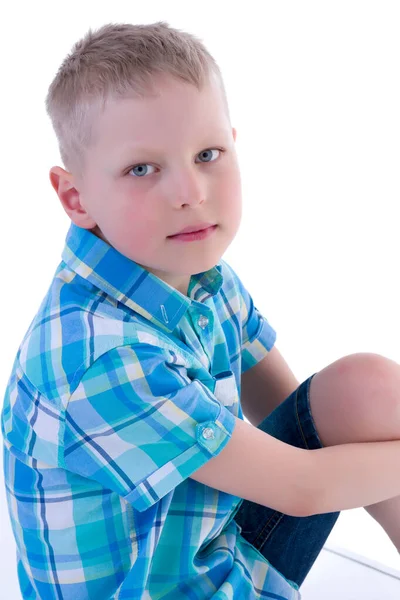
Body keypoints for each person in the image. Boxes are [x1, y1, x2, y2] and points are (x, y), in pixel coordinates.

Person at [2, 21, 400, 600]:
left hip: (212, 558)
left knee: (364, 390)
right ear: (76, 198)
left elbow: (303, 424)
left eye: (208, 153)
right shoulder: (103, 357)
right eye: (143, 169)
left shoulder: (202, 278)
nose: (190, 191)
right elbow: (303, 486)